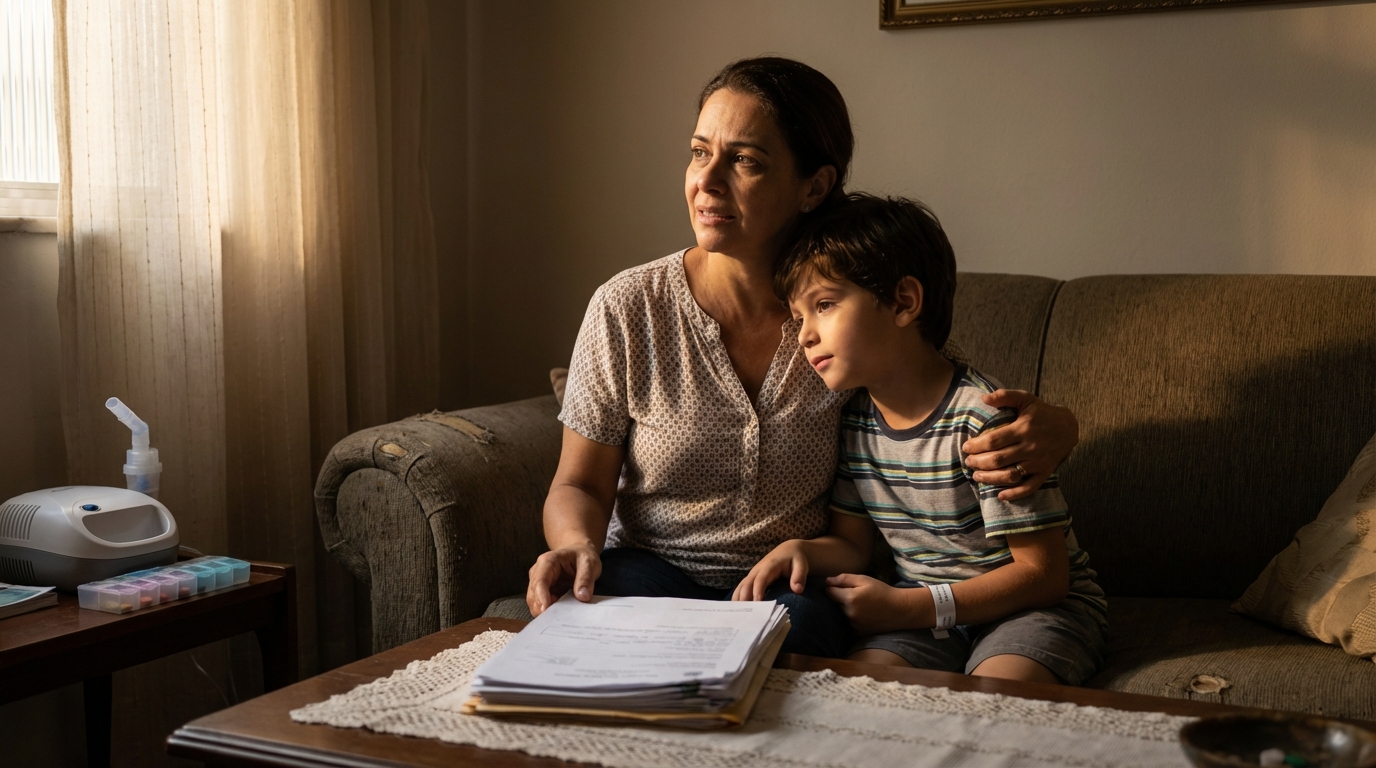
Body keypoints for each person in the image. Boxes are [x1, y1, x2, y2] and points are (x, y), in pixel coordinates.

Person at [525, 57, 1082, 659]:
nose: (706, 182)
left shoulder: (845, 314)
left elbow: (935, 390)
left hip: (789, 584)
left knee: (798, 643)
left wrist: (1058, 426)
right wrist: (576, 543)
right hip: (650, 570)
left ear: (814, 186)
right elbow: (578, 483)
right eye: (698, 151)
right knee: (602, 618)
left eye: (745, 161)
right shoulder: (627, 307)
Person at [737, 193, 1107, 684]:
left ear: (903, 302)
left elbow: (1044, 576)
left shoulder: (983, 419)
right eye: (799, 316)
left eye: (824, 305)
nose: (803, 335)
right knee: (857, 696)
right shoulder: (854, 424)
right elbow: (851, 545)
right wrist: (798, 550)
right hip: (922, 617)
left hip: (1028, 612)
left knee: (997, 698)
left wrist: (910, 607)